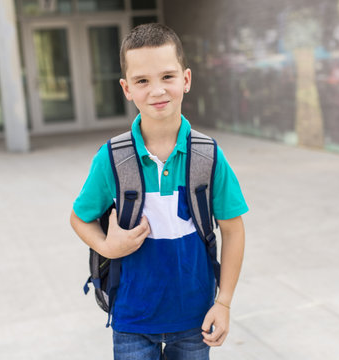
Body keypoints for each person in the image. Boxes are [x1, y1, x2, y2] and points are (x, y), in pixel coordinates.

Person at [69, 23, 248, 360]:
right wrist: (107, 244)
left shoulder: (208, 155)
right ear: (126, 88)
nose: (157, 91)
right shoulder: (112, 159)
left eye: (167, 77)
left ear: (186, 79)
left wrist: (223, 302)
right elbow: (80, 219)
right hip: (133, 319)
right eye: (142, 81)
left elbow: (233, 228)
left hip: (196, 317)